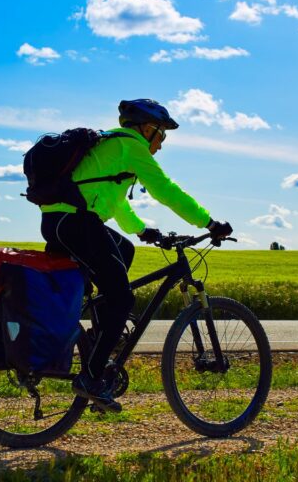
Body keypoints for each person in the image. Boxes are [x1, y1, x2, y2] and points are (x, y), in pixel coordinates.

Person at [39, 98, 233, 412]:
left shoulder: (113, 145)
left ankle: (102, 336)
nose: (162, 143)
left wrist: (143, 231)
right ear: (146, 129)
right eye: (162, 135)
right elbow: (165, 189)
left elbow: (114, 200)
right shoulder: (132, 147)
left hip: (63, 221)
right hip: (75, 223)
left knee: (125, 250)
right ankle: (91, 377)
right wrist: (208, 222)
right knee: (123, 298)